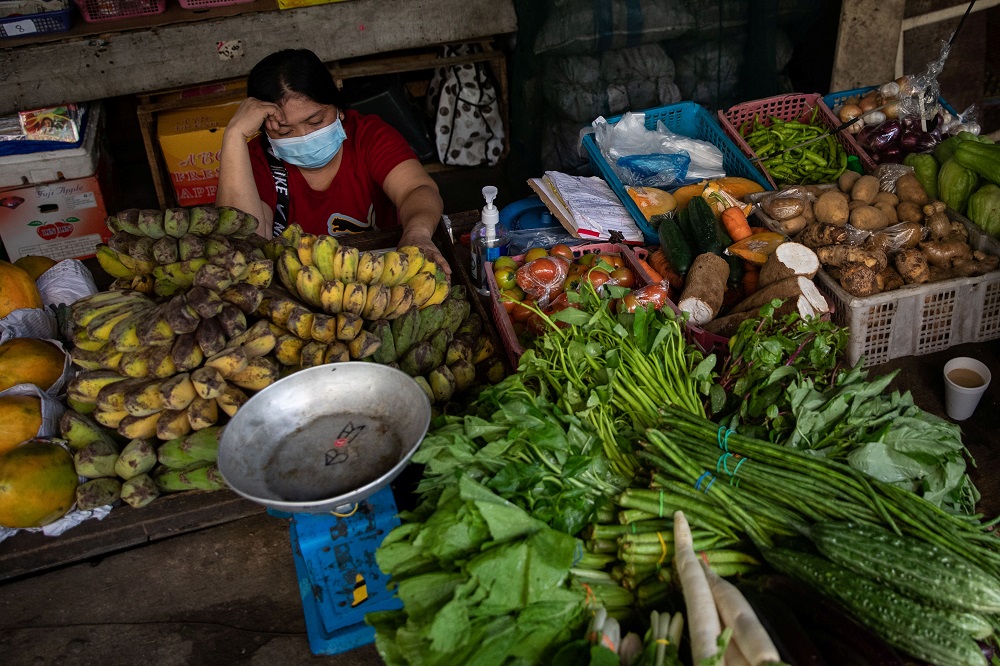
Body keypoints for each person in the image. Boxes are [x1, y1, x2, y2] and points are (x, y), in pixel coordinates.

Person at [217, 49, 449, 274]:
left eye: (315, 121)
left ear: (338, 108)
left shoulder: (367, 137)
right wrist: (234, 135)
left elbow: (417, 189)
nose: (304, 136)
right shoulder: (254, 161)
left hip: (377, 274)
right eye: (285, 132)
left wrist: (417, 234)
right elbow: (243, 243)